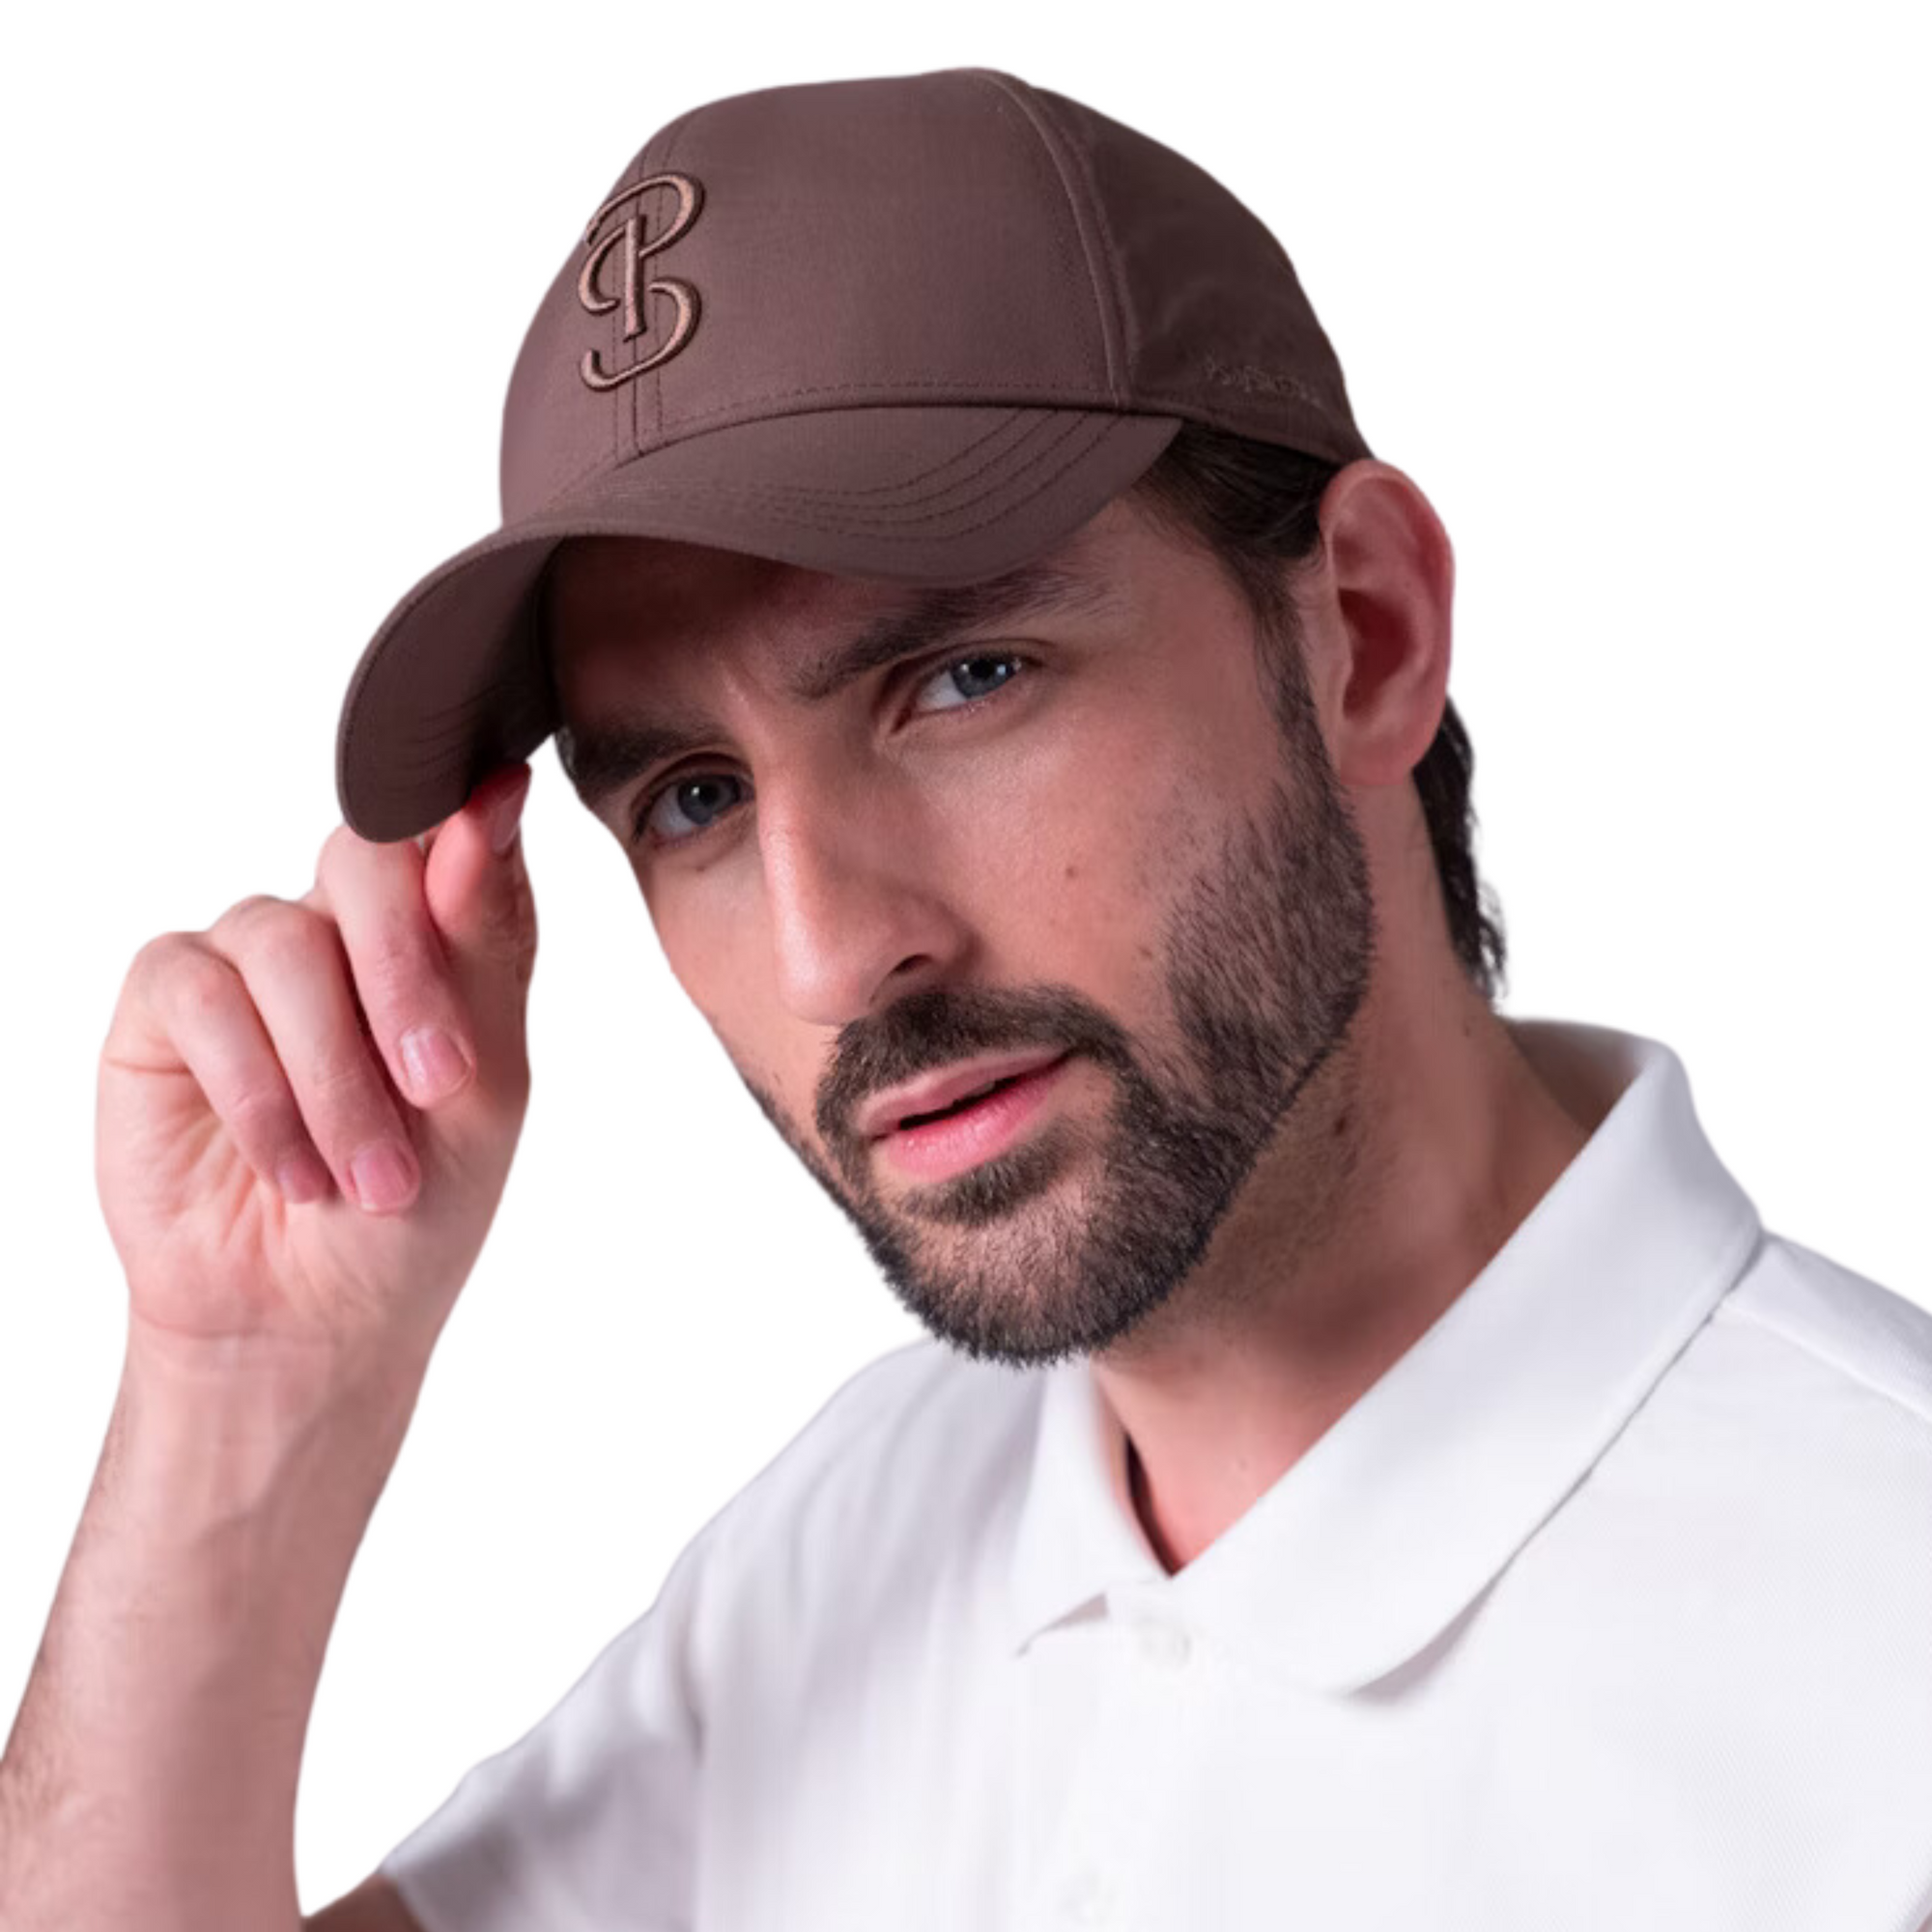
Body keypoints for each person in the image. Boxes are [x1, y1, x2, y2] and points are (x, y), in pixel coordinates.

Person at [3, 66, 1928, 1932]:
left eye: (964, 681)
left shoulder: (1876, 1673)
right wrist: (240, 1390)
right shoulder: (882, 1516)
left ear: (1364, 631)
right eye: (694, 798)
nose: (834, 955)